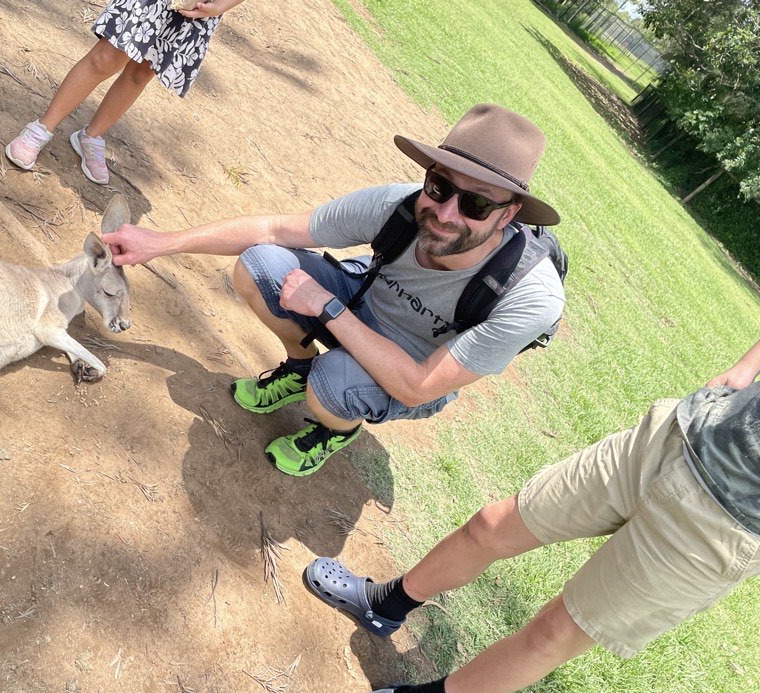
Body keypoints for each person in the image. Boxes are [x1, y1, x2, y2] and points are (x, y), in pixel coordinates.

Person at [302, 338, 760, 693]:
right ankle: (385, 604)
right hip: (682, 435)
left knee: (553, 633)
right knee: (490, 526)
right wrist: (744, 368)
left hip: (724, 528)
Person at [104, 104, 565, 476]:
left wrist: (326, 308)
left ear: (509, 215)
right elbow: (275, 228)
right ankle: (300, 367)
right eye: (440, 185)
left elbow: (416, 386)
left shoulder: (528, 295)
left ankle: (335, 429)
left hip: (416, 362)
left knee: (334, 386)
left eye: (478, 203)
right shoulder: (398, 206)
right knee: (260, 264)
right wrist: (161, 243)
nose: (446, 213)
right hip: (364, 303)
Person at [5, 0, 246, 184]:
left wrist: (221, 5)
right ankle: (42, 128)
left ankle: (91, 136)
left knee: (143, 71)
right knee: (106, 57)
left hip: (200, 7)